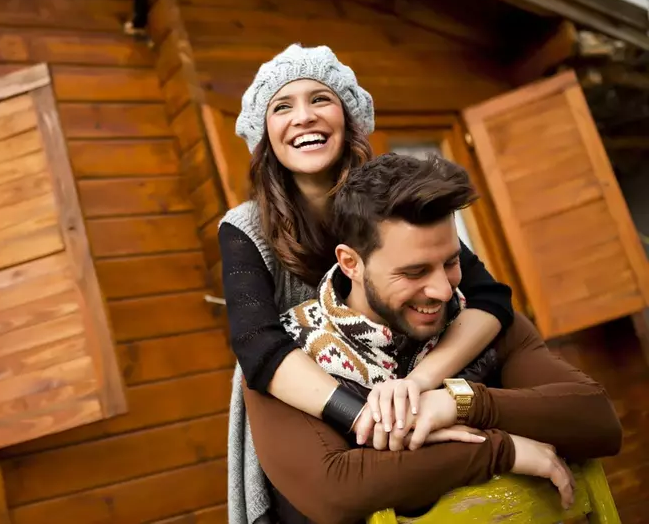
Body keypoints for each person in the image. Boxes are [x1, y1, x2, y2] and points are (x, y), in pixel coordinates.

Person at [219, 43, 513, 523]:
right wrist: (368, 417)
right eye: (282, 106)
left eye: (320, 99)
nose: (303, 117)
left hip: (417, 381)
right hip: (309, 409)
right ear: (264, 134)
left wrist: (419, 386)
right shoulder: (245, 227)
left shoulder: (394, 200)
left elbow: (490, 300)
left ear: (347, 117)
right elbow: (257, 346)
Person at [242, 153, 622, 523]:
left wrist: (461, 404)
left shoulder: (482, 322)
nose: (442, 290)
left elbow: (597, 421)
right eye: (414, 271)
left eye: (452, 262)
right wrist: (499, 449)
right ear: (351, 264)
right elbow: (336, 489)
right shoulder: (289, 360)